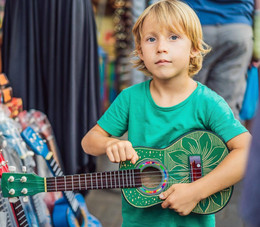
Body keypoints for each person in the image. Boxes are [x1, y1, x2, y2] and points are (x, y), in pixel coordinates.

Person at [81, 0, 251, 226]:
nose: (161, 47)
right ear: (140, 51)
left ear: (194, 48)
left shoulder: (208, 103)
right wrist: (109, 144)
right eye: (151, 39)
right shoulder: (130, 99)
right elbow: (89, 142)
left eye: (174, 37)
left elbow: (247, 151)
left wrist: (196, 191)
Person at [182, 0, 257, 119]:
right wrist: (257, 39)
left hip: (195, 25)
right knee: (226, 110)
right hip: (238, 28)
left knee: (184, 103)